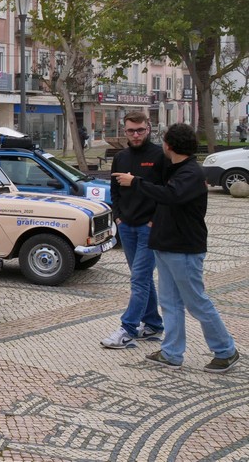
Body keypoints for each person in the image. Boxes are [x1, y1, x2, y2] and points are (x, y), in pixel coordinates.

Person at [112, 123, 240, 372]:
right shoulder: (175, 168)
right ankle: (172, 352)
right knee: (170, 303)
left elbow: (170, 195)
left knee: (196, 302)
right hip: (165, 245)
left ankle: (226, 350)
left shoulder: (191, 173)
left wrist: (135, 182)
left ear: (169, 146)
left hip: (185, 249)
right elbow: (162, 192)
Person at [101, 111, 165, 350]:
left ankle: (127, 329)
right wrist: (117, 218)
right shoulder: (121, 157)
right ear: (124, 130)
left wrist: (154, 220)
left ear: (148, 128)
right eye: (131, 131)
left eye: (140, 130)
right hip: (126, 226)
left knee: (139, 278)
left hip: (149, 228)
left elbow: (166, 192)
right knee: (143, 278)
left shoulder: (159, 156)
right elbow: (114, 190)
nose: (135, 135)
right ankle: (153, 324)